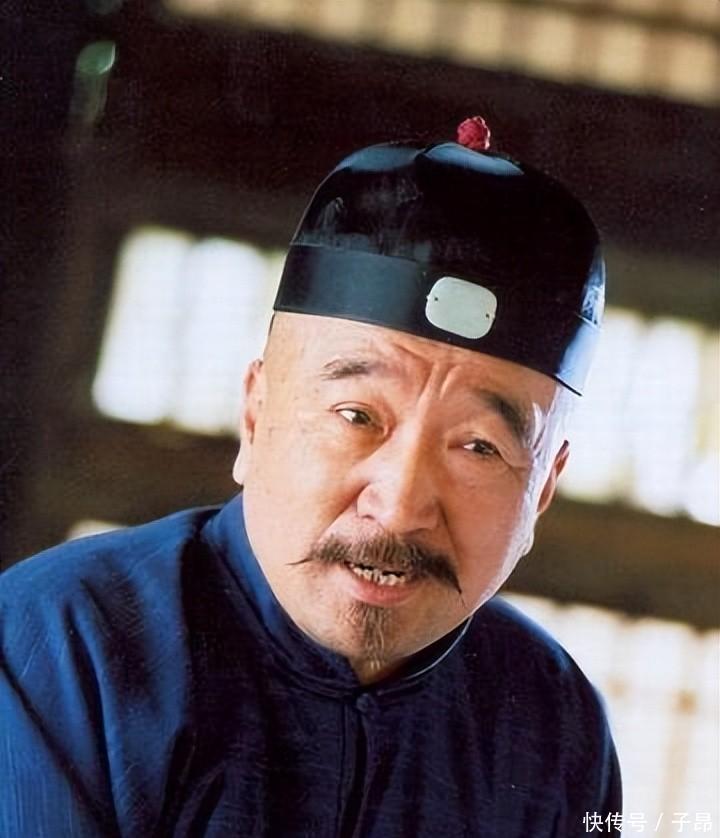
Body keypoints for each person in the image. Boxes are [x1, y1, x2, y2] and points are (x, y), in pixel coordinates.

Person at [0, 117, 621, 836]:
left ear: (543, 490)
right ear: (256, 414)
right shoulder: (60, 643)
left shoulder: (556, 724)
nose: (400, 506)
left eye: (479, 447)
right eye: (357, 416)